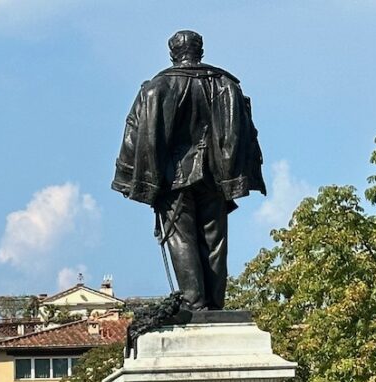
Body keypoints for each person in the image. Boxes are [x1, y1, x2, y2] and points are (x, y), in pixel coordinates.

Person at [113, 30, 267, 311]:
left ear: (173, 54)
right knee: (215, 240)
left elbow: (134, 135)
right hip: (217, 175)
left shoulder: (155, 88)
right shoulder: (227, 85)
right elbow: (246, 134)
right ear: (200, 51)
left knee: (181, 237)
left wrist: (133, 180)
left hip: (174, 178)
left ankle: (194, 303)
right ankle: (214, 303)